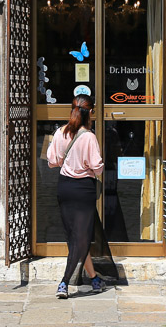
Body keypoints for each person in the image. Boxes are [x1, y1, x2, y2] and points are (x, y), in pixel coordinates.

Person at [46, 93, 105, 299]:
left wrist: (68, 162)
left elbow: (52, 161)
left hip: (64, 188)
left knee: (76, 237)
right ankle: (64, 282)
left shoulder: (60, 132)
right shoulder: (88, 136)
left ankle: (94, 277)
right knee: (81, 238)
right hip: (83, 190)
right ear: (89, 112)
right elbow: (97, 168)